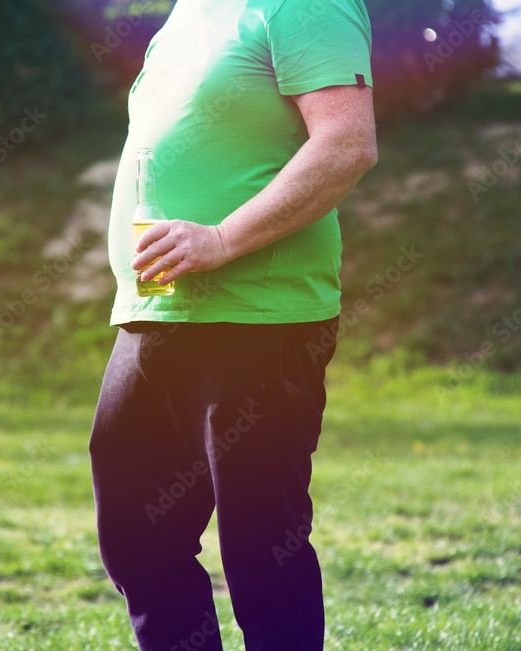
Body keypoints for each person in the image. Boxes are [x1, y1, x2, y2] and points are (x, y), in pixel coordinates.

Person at [89, 0, 377, 649]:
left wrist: (220, 239)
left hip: (259, 318)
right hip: (154, 312)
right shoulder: (190, 11)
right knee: (138, 536)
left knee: (262, 550)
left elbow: (346, 144)